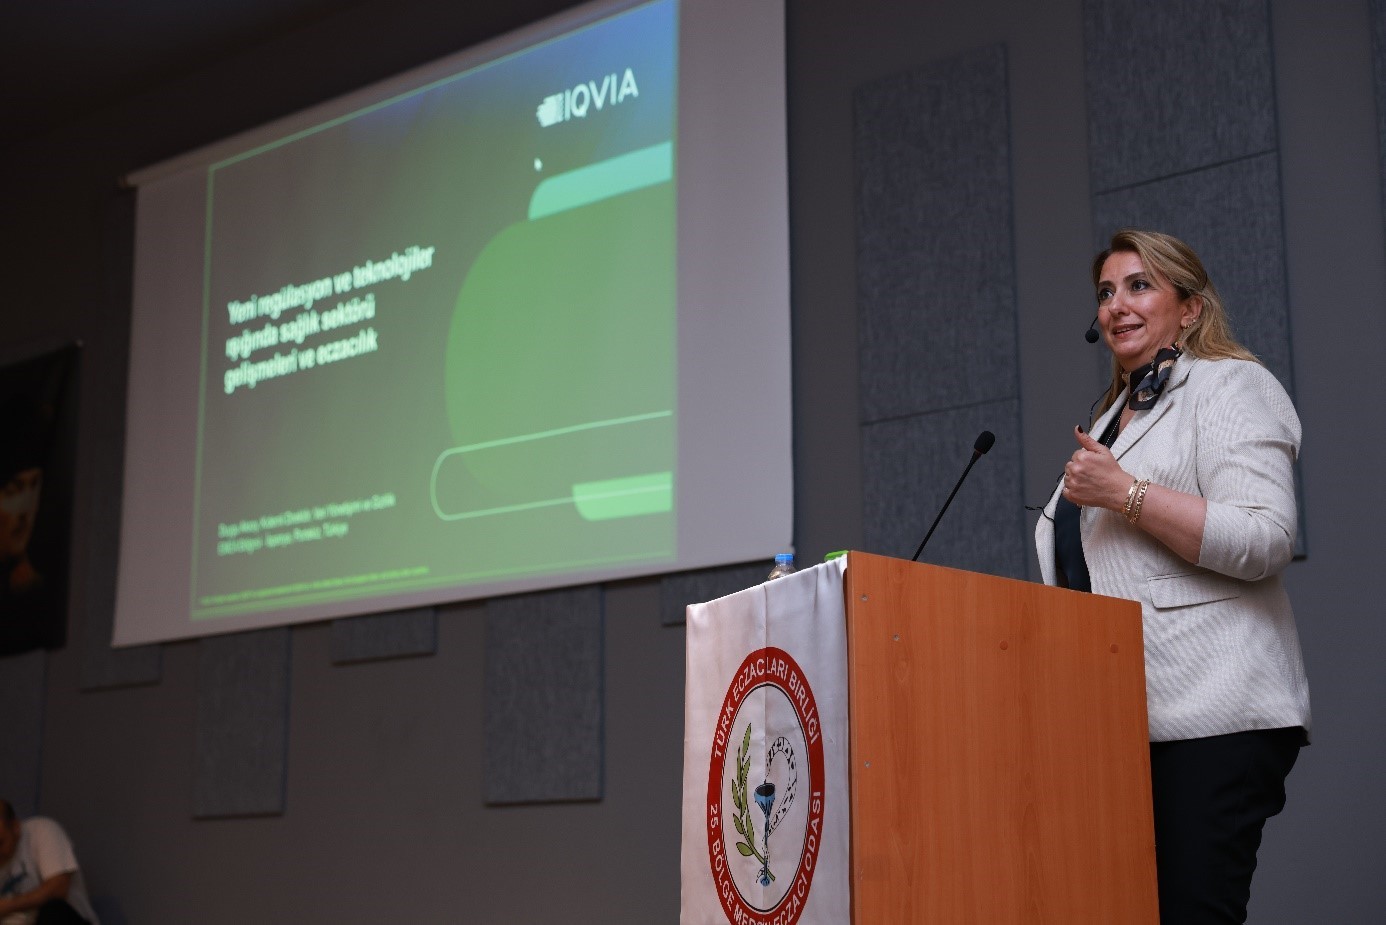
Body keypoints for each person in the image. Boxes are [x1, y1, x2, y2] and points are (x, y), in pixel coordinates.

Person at [1034, 230, 1311, 924]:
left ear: (1190, 308)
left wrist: (1126, 492)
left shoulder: (1229, 384)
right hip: (1119, 722)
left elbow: (1266, 536)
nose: (1116, 304)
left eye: (1140, 285)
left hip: (1214, 712)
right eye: (1106, 292)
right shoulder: (1111, 419)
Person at [0, 800, 98, 925]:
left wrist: (8, 905)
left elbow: (58, 889)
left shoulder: (41, 831)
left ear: (15, 827)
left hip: (62, 918)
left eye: (0, 842)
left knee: (53, 910)